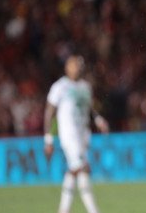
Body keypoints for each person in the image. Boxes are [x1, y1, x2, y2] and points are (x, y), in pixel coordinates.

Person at [44, 55, 109, 213]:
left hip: (83, 134)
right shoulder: (59, 87)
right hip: (69, 134)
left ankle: (63, 210)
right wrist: (48, 139)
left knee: (73, 170)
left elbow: (89, 107)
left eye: (79, 65)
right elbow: (49, 112)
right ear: (67, 67)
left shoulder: (85, 86)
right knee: (83, 168)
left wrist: (98, 119)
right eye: (74, 65)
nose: (77, 68)